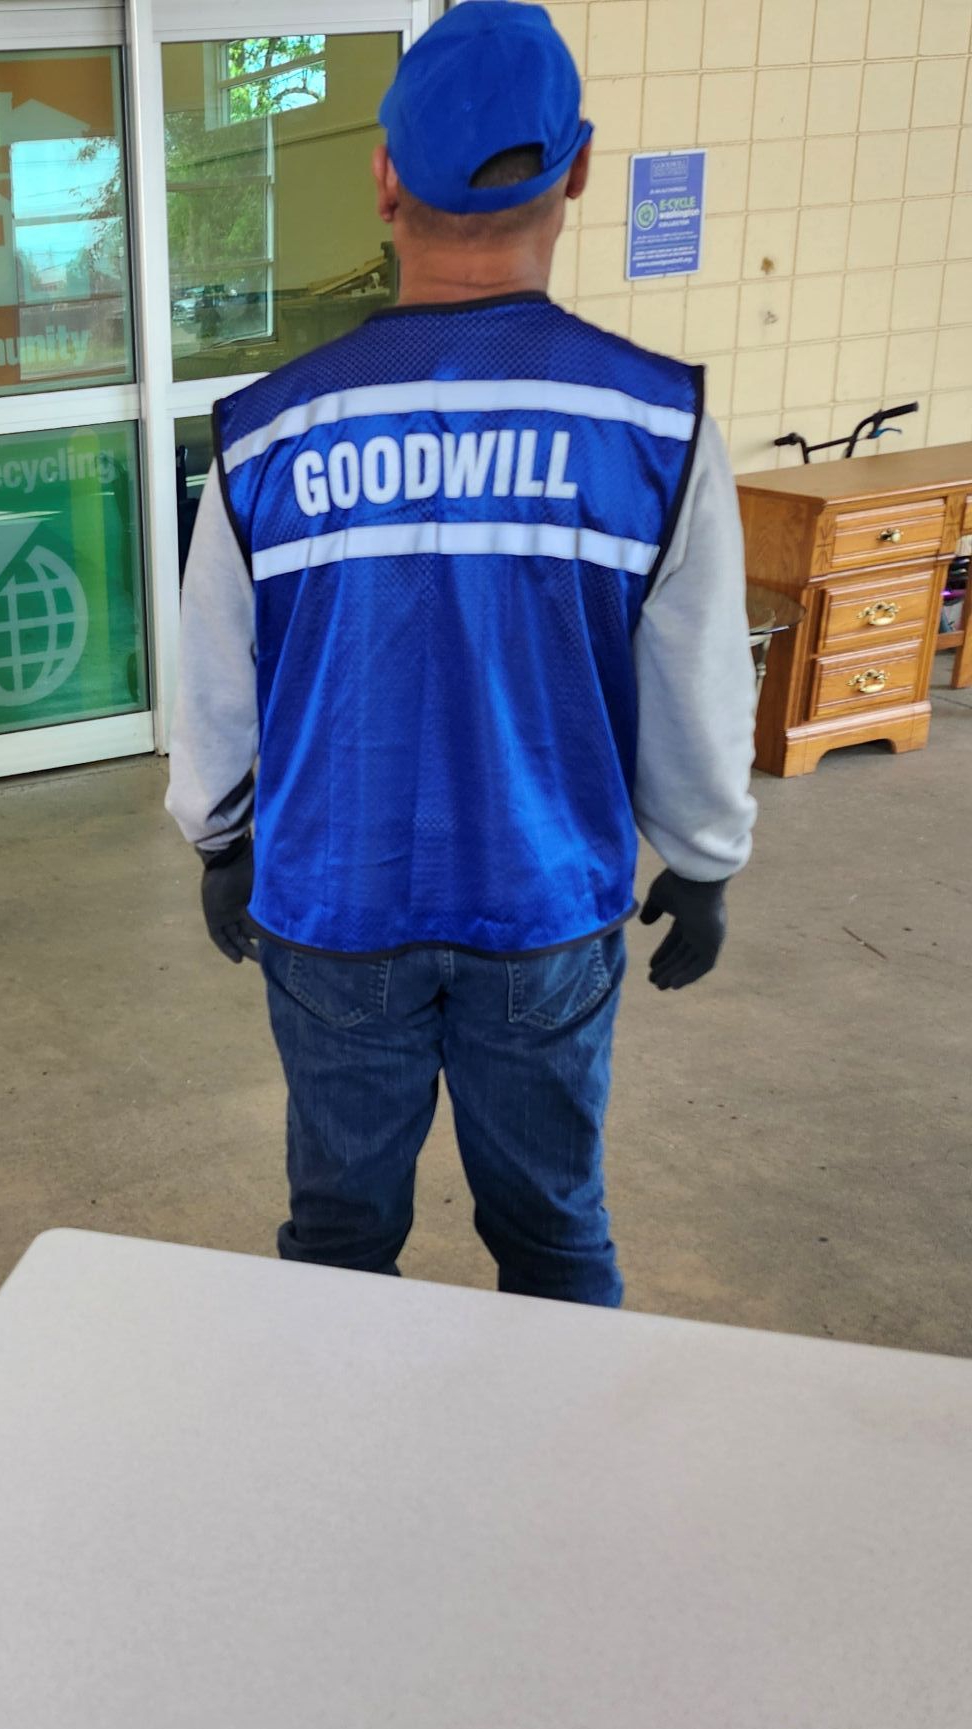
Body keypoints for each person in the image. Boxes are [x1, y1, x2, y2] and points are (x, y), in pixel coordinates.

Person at [166, 0, 756, 1309]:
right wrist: (705, 860)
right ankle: (547, 1502)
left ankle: (340, 1493)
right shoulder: (653, 425)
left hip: (332, 910)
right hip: (545, 911)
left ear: (384, 178)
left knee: (337, 1243)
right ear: (581, 168)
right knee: (552, 1238)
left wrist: (219, 837)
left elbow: (214, 681)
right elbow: (698, 688)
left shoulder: (266, 434)